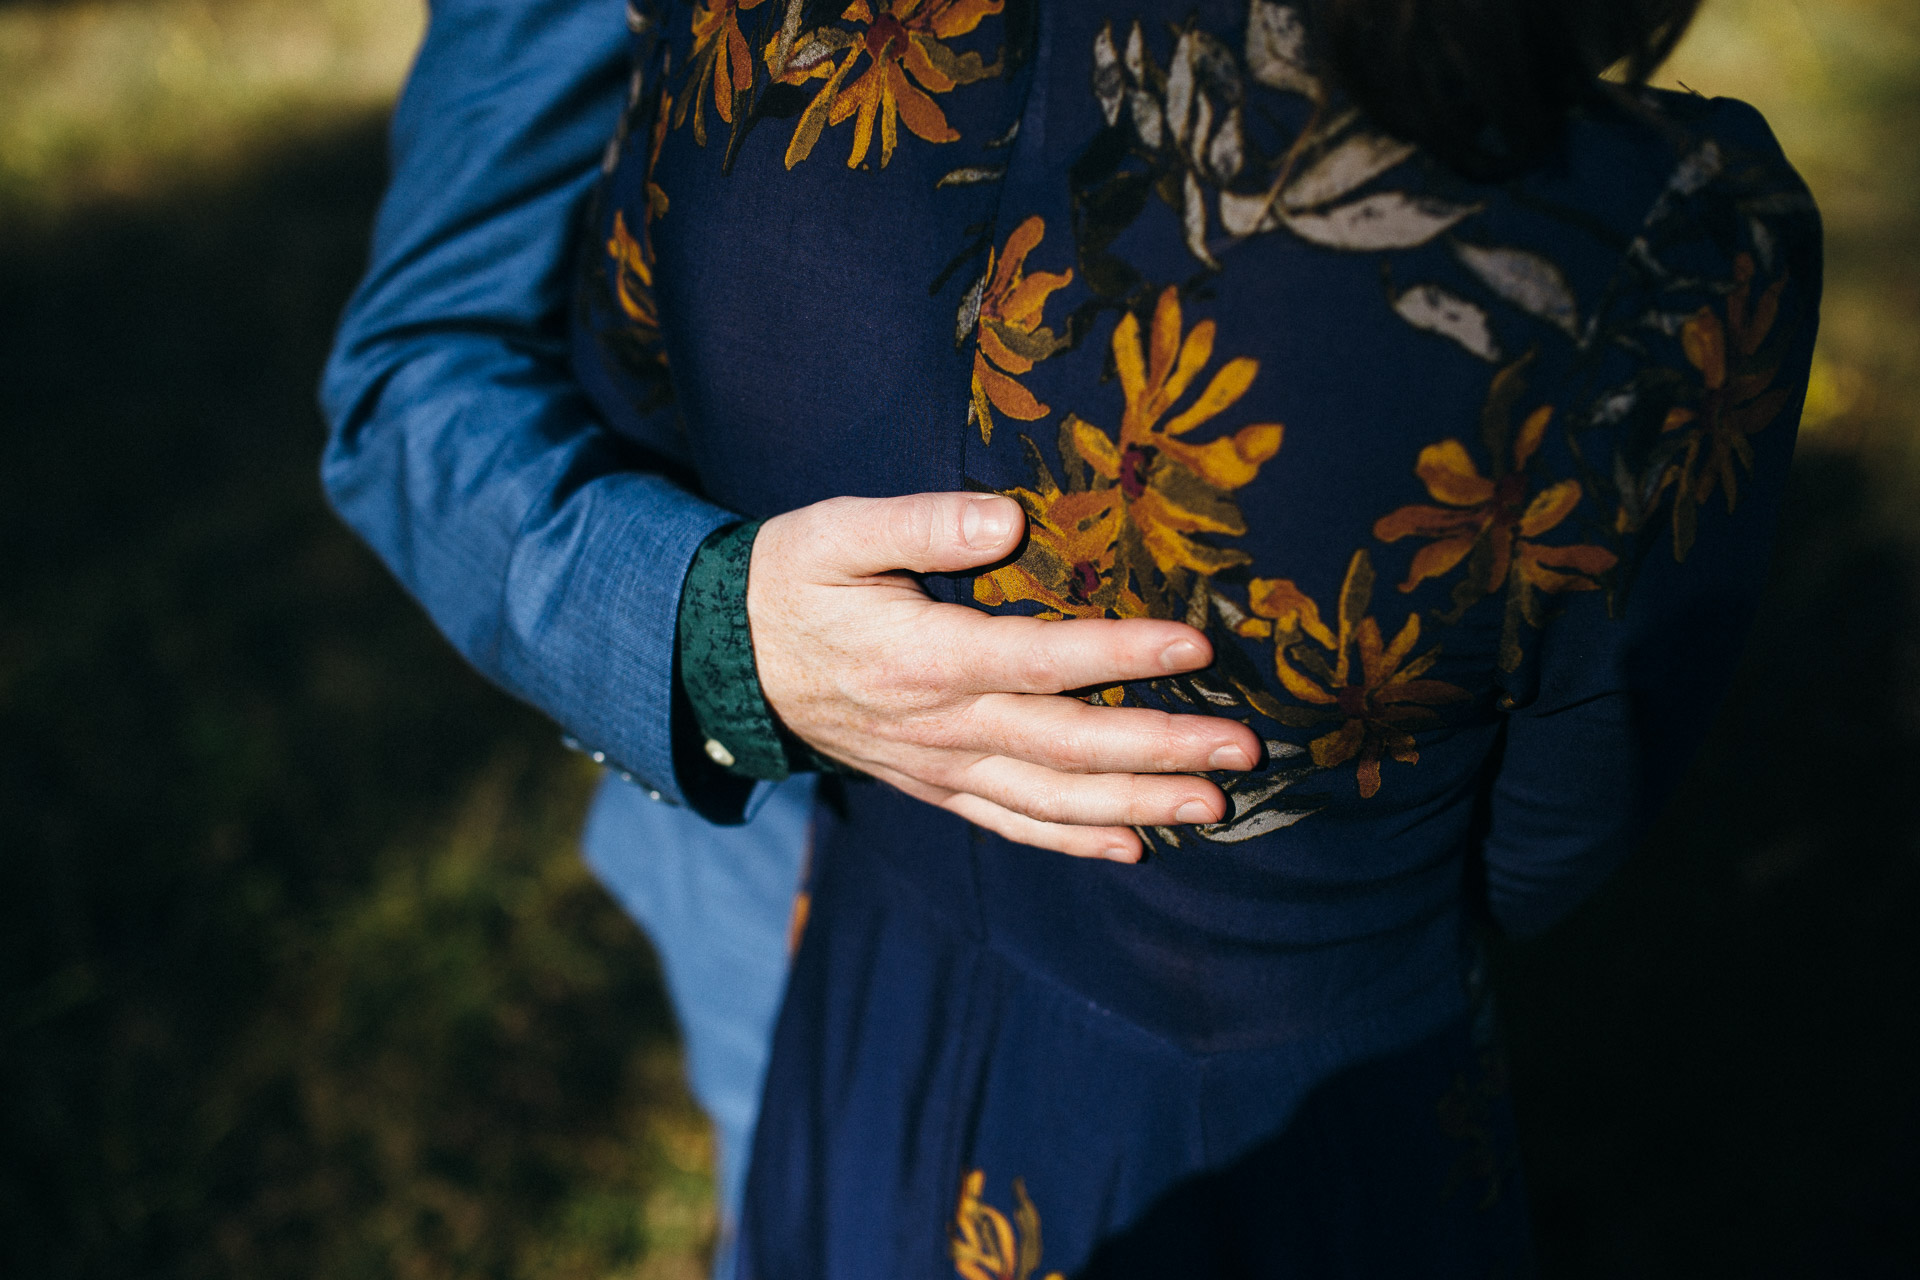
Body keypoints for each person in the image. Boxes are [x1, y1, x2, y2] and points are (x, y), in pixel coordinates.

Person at [325, 0, 1822, 1274]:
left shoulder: (755, 41)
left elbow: (636, 392)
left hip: (857, 1021)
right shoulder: (1658, 238)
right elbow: (1551, 831)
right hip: (1274, 1119)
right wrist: (720, 639)